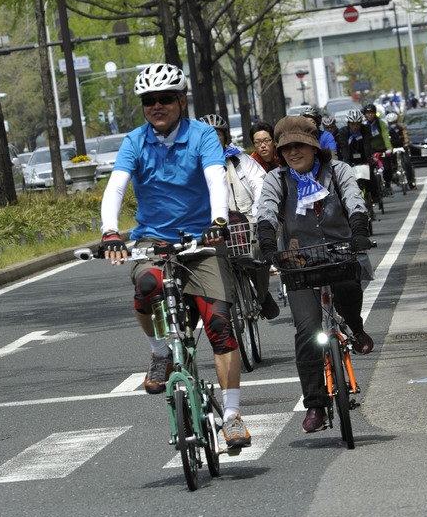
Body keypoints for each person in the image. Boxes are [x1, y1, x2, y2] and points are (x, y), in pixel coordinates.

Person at [98, 63, 251, 449]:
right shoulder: (135, 141)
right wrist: (110, 231)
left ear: (181, 100)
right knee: (147, 284)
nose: (158, 106)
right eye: (150, 101)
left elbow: (216, 178)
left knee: (218, 324)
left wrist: (218, 220)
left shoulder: (202, 136)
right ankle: (160, 353)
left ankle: (232, 416)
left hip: (201, 240)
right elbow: (116, 187)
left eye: (166, 98)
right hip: (153, 240)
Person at [256, 115, 374, 434]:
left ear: (314, 147)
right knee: (307, 330)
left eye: (300, 145)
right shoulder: (277, 180)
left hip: (339, 252)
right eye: (287, 148)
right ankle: (316, 406)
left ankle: (355, 326)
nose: (294, 152)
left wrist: (360, 231)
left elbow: (354, 201)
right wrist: (268, 244)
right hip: (299, 261)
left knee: (349, 293)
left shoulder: (338, 171)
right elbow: (266, 211)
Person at [199, 113, 279, 321]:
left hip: (246, 223)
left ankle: (262, 296)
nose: (212, 140)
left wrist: (260, 215)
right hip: (210, 228)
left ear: (225, 137)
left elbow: (260, 186)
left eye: (217, 135)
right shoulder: (193, 166)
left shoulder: (241, 160)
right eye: (206, 136)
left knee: (258, 250)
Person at [362, 103, 392, 190]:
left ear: (375, 113)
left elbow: (385, 136)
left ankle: (387, 183)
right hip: (370, 150)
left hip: (382, 149)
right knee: (369, 171)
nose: (370, 115)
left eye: (372, 113)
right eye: (367, 113)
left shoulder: (381, 123)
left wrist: (389, 148)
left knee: (387, 168)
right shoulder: (363, 125)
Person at [385, 111, 417, 190]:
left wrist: (406, 144)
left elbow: (405, 136)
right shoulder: (386, 129)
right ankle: (390, 181)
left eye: (394, 122)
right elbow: (386, 139)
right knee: (390, 164)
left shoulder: (402, 127)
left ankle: (410, 182)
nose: (392, 124)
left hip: (402, 146)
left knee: (407, 162)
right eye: (390, 122)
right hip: (392, 148)